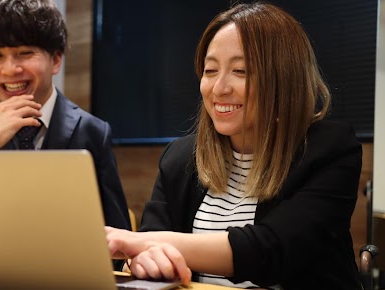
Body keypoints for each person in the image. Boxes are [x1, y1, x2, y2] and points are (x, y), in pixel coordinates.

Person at [106, 2, 363, 289]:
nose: (219, 88)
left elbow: (271, 249)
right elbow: (149, 245)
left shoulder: (329, 149)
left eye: (240, 71)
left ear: (283, 79)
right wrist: (145, 257)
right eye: (210, 70)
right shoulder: (179, 158)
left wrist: (142, 242)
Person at [0, 0, 131, 266]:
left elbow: (118, 238)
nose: (9, 70)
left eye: (24, 53)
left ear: (55, 60)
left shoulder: (92, 132)